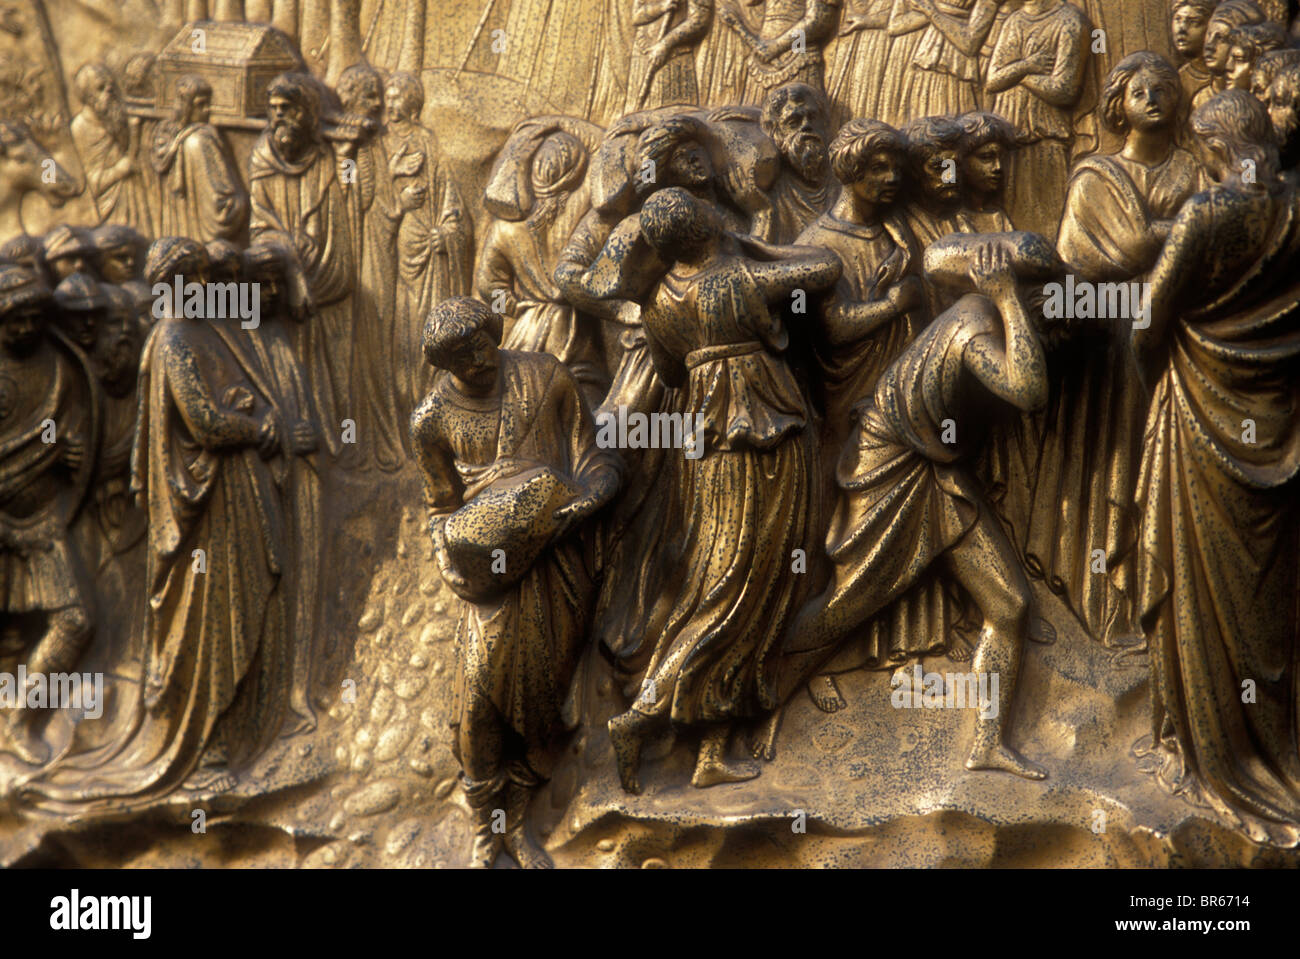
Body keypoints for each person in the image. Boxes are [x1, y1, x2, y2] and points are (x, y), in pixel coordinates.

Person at [776, 232, 1063, 781]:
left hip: (938, 467)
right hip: (892, 465)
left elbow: (937, 257)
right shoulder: (978, 327)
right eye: (1044, 310)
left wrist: (1003, 254)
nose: (1050, 326)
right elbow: (1028, 390)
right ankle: (758, 700)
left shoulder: (972, 297)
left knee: (1009, 605)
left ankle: (985, 743)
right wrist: (1004, 291)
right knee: (845, 605)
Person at [605, 186, 841, 793]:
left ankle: (711, 750)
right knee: (746, 585)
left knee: (725, 577)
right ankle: (645, 714)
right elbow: (826, 268)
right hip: (766, 434)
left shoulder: (658, 301)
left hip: (708, 446)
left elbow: (667, 371)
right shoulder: (737, 276)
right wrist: (758, 247)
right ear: (707, 225)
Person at [1131, 90, 1300, 846]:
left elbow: (1146, 320)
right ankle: (1279, 743)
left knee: (1198, 585)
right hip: (1279, 421)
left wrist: (1158, 368)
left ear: (1211, 144)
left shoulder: (1207, 214)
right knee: (1267, 592)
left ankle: (1208, 751)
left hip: (1200, 416)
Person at [410, 296, 620, 868]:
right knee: (479, 700)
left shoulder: (544, 376)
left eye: (484, 343)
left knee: (540, 696)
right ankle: (485, 829)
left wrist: (587, 500)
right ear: (444, 364)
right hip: (489, 567)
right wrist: (448, 558)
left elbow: (594, 460)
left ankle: (520, 825)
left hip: (554, 557)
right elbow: (439, 506)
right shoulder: (431, 419)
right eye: (464, 357)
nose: (482, 359)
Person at [0, 264, 98, 767]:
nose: (25, 327)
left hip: (41, 519)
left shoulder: (59, 367)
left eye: (35, 316)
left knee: (75, 621)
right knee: (8, 631)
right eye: (16, 318)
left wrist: (71, 452)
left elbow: (68, 427)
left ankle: (21, 717)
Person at [150, 74, 248, 243]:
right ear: (187, 107)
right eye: (201, 105)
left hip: (176, 243)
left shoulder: (164, 137)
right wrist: (242, 201)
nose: (207, 110)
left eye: (208, 104)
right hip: (205, 244)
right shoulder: (201, 140)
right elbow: (221, 204)